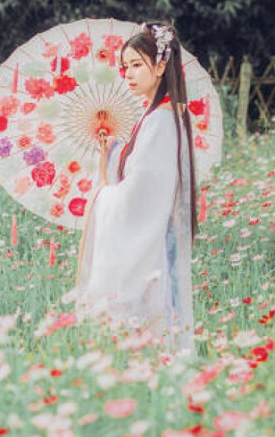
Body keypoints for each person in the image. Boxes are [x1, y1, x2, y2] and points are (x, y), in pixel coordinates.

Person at [74, 20, 198, 357]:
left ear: (160, 66)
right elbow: (141, 173)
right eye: (124, 66)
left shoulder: (162, 119)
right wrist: (113, 150)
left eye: (136, 65)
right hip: (155, 233)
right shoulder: (156, 114)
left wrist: (101, 198)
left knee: (155, 330)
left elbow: (142, 193)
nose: (128, 74)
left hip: (154, 238)